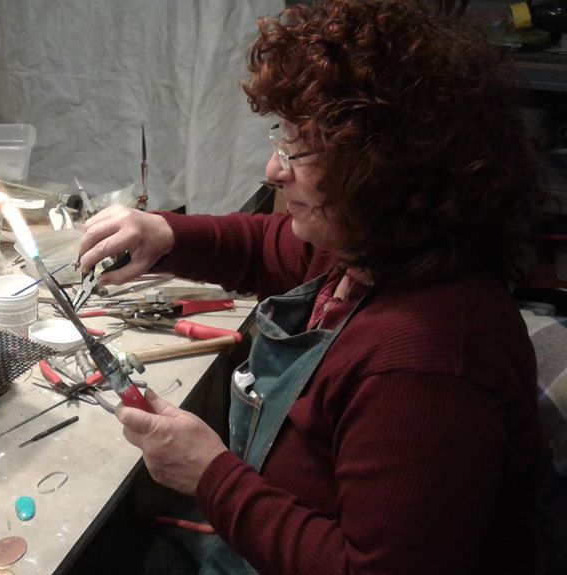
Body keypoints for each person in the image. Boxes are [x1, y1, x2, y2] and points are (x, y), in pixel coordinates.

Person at [77, 0, 550, 573]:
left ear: (384, 169)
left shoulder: (426, 368)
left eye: (300, 148)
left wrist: (212, 476)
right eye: (284, 136)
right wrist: (167, 232)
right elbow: (272, 245)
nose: (274, 171)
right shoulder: (378, 250)